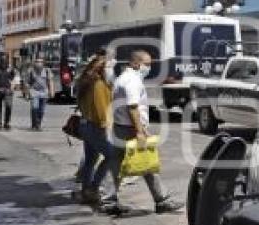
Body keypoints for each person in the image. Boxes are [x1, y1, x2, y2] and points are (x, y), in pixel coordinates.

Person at [103, 49, 182, 215]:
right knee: (147, 163)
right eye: (146, 64)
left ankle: (109, 201)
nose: (149, 68)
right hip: (131, 129)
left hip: (120, 127)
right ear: (135, 63)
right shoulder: (132, 81)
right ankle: (162, 201)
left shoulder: (122, 78)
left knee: (117, 165)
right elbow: (133, 107)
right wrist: (139, 131)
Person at [76, 57, 117, 205]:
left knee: (90, 160)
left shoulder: (87, 83)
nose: (113, 71)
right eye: (110, 67)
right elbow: (102, 110)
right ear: (102, 69)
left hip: (85, 125)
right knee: (112, 155)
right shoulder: (99, 85)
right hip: (95, 127)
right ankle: (93, 188)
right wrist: (105, 128)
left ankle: (86, 191)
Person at [23, 56, 53, 130]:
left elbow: (50, 81)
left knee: (42, 110)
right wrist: (26, 94)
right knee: (34, 108)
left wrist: (51, 91)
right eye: (37, 61)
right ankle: (34, 124)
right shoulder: (31, 71)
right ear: (34, 63)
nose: (38, 63)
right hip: (34, 91)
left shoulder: (47, 70)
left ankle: (38, 123)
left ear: (43, 63)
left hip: (44, 91)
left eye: (40, 62)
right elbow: (26, 83)